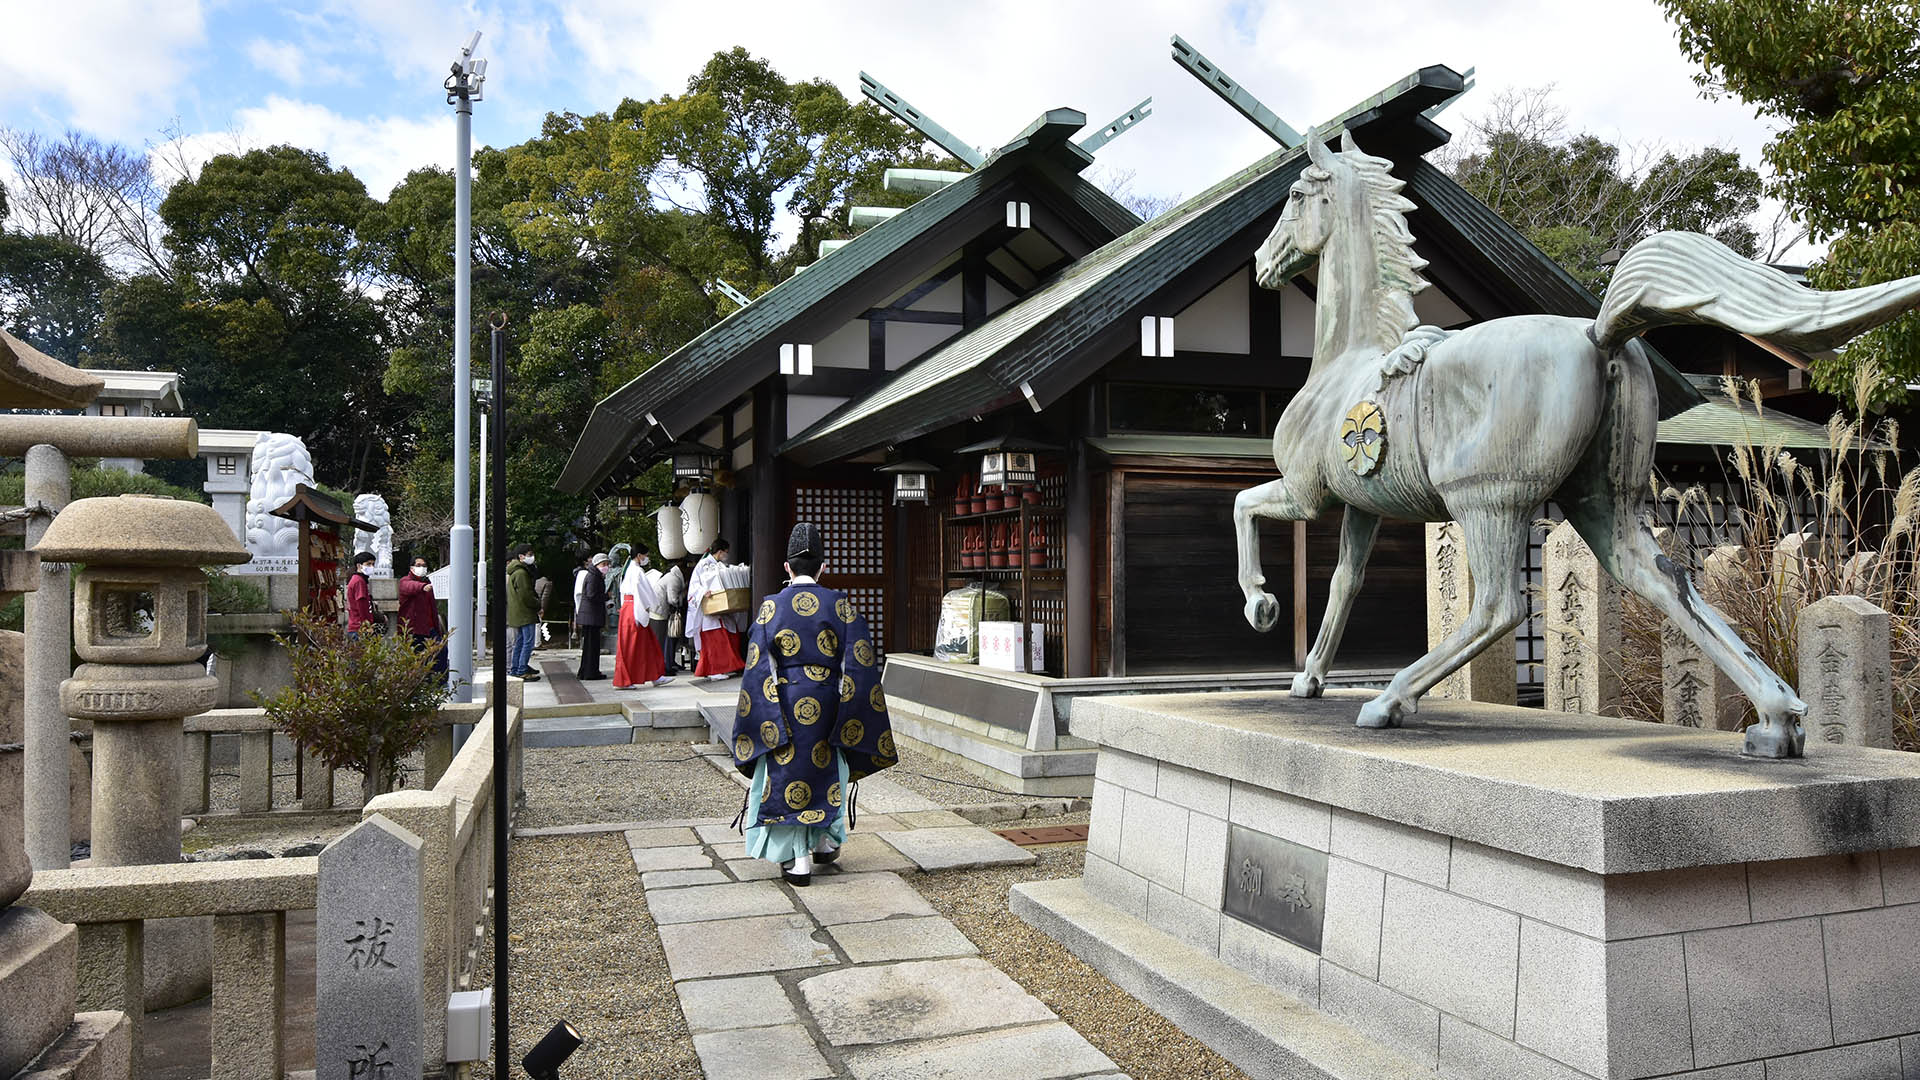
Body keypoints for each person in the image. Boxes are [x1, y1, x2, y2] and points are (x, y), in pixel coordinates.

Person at [730, 523, 897, 885]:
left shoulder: (771, 607)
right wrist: (849, 710)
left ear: (787, 568)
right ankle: (823, 840)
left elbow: (758, 664)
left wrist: (765, 712)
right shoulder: (839, 604)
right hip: (829, 700)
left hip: (785, 699)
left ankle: (796, 858)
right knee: (829, 767)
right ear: (823, 567)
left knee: (785, 770)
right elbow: (859, 661)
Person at [614, 541, 672, 689]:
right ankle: (626, 680)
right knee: (632, 647)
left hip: (628, 608)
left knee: (644, 645)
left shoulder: (629, 570)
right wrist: (645, 610)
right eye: (645, 555)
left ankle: (655, 675)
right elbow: (642, 593)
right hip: (635, 609)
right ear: (639, 556)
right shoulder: (637, 571)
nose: (647, 558)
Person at [687, 539, 746, 679]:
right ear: (720, 552)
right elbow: (694, 585)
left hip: (720, 607)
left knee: (725, 636)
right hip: (709, 608)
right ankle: (714, 670)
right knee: (715, 640)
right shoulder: (703, 564)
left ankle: (723, 668)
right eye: (725, 552)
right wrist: (703, 591)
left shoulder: (719, 564)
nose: (727, 555)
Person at [397, 555, 446, 672]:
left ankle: (438, 682)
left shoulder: (428, 582)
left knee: (441, 651)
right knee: (418, 659)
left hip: (429, 628)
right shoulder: (405, 581)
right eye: (418, 565)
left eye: (424, 565)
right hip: (414, 630)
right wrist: (422, 587)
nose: (422, 568)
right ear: (411, 568)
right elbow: (409, 587)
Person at [506, 544, 542, 682]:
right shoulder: (521, 573)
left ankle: (515, 669)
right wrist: (537, 605)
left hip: (517, 612)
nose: (531, 557)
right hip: (525, 613)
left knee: (520, 642)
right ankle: (521, 670)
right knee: (528, 642)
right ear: (521, 556)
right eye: (529, 554)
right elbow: (526, 595)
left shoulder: (514, 571)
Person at [575, 552, 610, 680]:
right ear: (596, 564)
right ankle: (591, 672)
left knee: (590, 646)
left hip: (590, 616)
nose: (606, 566)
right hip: (591, 616)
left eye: (607, 564)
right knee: (592, 646)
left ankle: (586, 671)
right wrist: (606, 596)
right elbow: (591, 595)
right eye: (603, 564)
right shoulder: (594, 577)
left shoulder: (594, 575)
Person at [658, 557, 687, 675]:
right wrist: (683, 594)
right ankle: (667, 665)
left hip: (662, 611)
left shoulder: (672, 576)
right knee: (669, 638)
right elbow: (673, 600)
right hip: (662, 611)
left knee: (671, 638)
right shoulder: (674, 579)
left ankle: (670, 662)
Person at [345, 551, 379, 639]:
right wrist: (367, 625)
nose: (371, 567)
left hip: (355, 626)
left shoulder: (356, 579)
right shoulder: (359, 581)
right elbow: (362, 605)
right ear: (359, 565)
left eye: (373, 564)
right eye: (368, 564)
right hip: (360, 628)